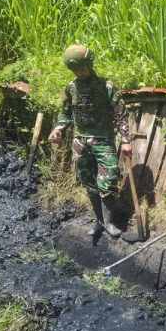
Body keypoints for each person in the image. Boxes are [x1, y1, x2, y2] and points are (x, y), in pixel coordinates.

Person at [48, 44, 132, 238]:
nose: (79, 72)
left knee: (108, 179)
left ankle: (110, 222)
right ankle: (100, 221)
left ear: (90, 64)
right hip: (81, 141)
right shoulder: (71, 88)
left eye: (82, 68)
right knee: (88, 181)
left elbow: (121, 114)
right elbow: (66, 113)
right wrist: (58, 128)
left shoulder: (106, 86)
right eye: (75, 69)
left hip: (103, 140)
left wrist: (126, 140)